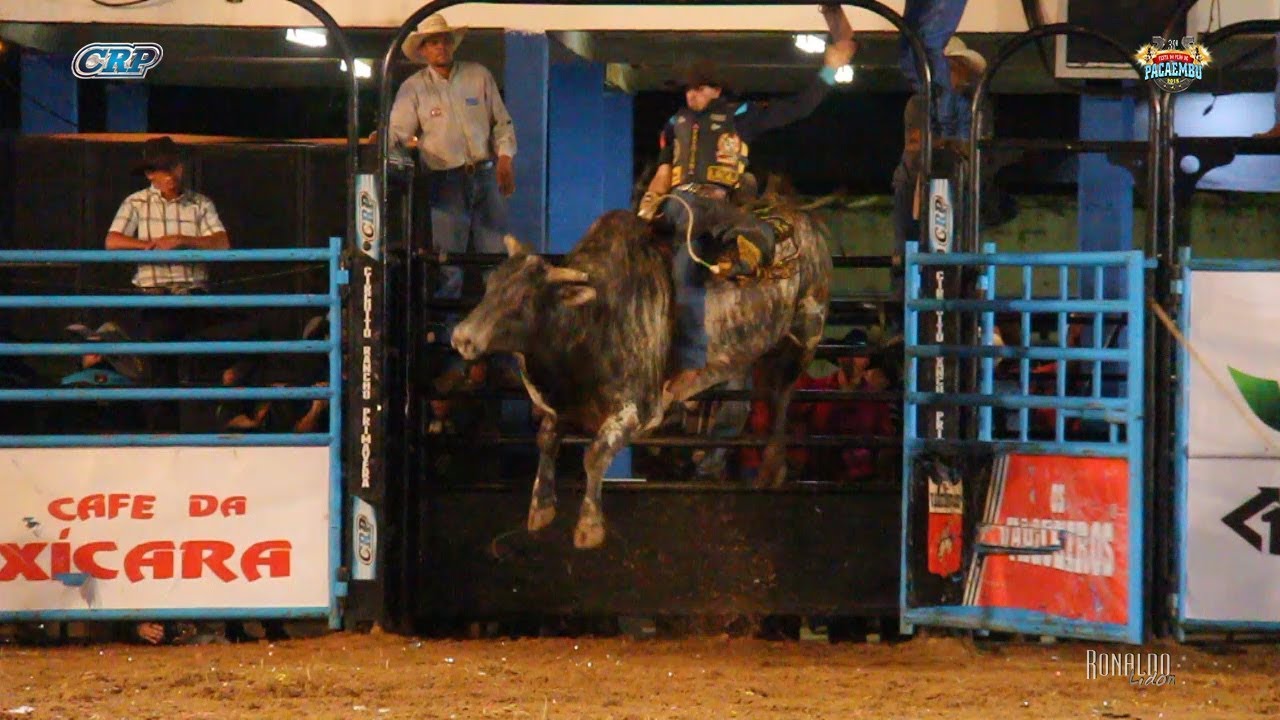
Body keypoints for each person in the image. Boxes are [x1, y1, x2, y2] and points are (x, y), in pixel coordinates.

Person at [637, 4, 856, 402]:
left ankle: (737, 263)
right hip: (684, 204)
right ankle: (688, 360)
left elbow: (797, 108)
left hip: (717, 208)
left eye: (700, 87)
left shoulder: (739, 116)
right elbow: (664, 172)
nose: (692, 93)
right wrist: (648, 206)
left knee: (756, 233)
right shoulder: (674, 124)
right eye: (689, 88)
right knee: (699, 260)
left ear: (717, 89)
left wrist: (827, 72)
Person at [389, 13, 517, 308]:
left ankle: (497, 336)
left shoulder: (479, 76)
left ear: (452, 44)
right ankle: (449, 340)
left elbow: (502, 122)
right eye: (433, 43)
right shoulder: (414, 88)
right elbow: (398, 131)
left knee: (495, 261)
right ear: (423, 50)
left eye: (444, 41)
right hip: (444, 180)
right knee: (449, 265)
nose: (440, 47)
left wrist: (505, 159)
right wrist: (381, 140)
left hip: (485, 174)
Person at [891, 36, 987, 291]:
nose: (962, 76)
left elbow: (969, 147)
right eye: (956, 67)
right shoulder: (920, 102)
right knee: (908, 250)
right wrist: (949, 144)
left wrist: (943, 144)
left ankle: (957, 300)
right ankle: (905, 309)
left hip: (951, 185)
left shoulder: (967, 107)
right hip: (917, 183)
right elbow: (917, 142)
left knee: (956, 247)